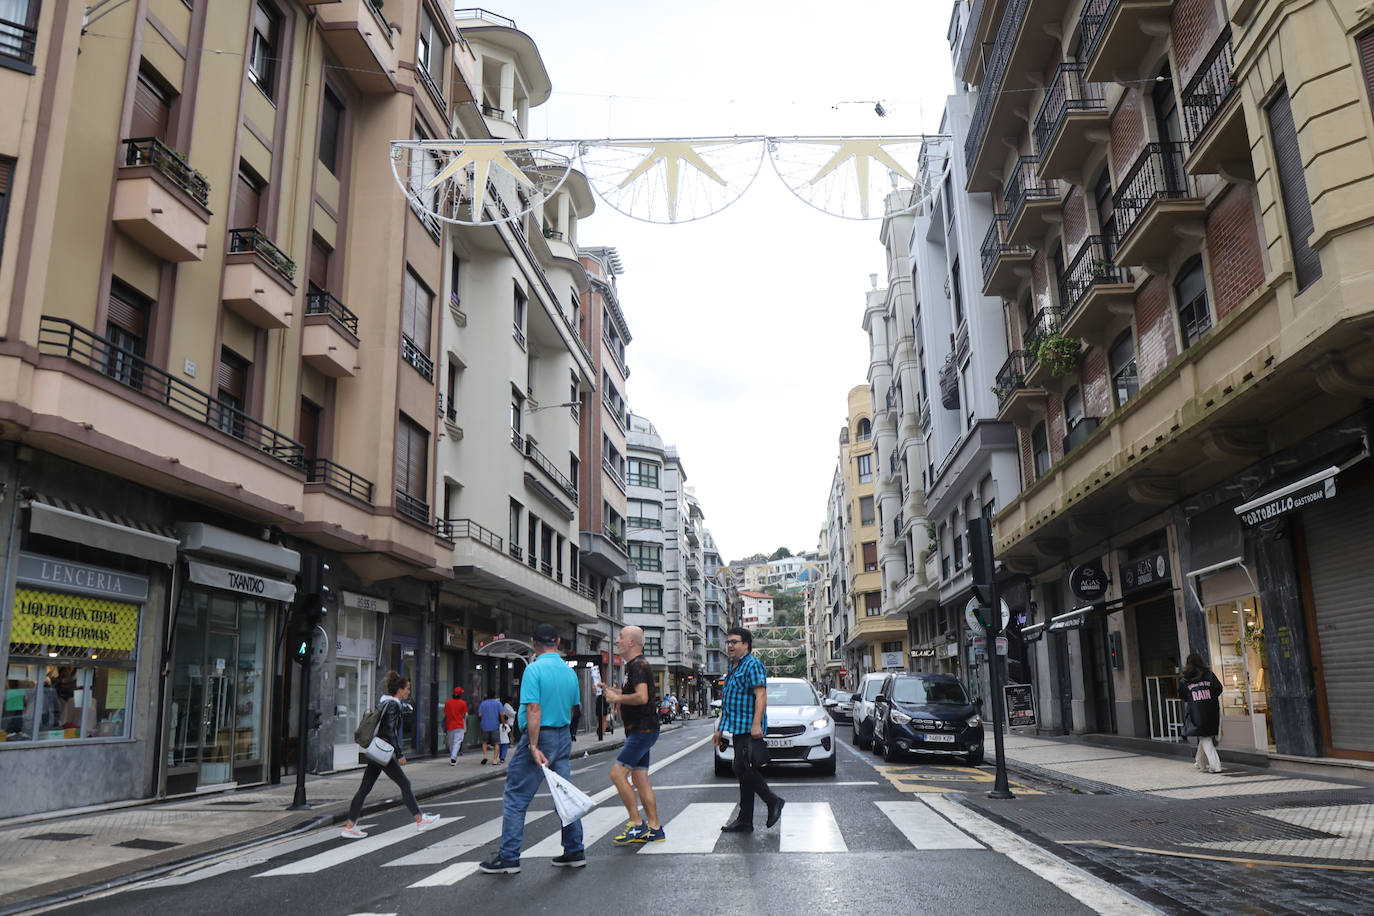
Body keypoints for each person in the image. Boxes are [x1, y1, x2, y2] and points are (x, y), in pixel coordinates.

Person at [480, 623, 585, 874]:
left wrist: (534, 745)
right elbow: (574, 709)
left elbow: (533, 710)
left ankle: (509, 857)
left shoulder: (533, 670)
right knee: (564, 794)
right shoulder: (570, 672)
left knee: (516, 796)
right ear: (558, 642)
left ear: (533, 643)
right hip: (562, 735)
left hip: (540, 737)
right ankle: (574, 850)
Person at [341, 672, 439, 838]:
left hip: (376, 751)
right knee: (405, 784)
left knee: (364, 789)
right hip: (383, 752)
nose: (409, 692)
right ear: (399, 690)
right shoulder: (393, 705)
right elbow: (390, 731)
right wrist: (399, 754)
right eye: (407, 689)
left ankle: (350, 826)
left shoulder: (385, 703)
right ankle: (420, 820)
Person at [714, 626, 784, 833]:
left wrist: (756, 724)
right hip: (737, 727)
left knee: (742, 767)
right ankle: (745, 820)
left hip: (748, 726)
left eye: (734, 642)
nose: (730, 645)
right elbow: (729, 701)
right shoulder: (734, 667)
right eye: (728, 642)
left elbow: (760, 696)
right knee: (742, 769)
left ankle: (773, 801)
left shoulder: (752, 665)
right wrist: (720, 729)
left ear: (746, 644)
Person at [604, 626, 665, 845]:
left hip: (642, 729)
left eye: (621, 637)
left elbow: (641, 697)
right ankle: (655, 828)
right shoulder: (635, 666)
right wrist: (613, 692)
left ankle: (637, 824)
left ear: (631, 643)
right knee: (640, 778)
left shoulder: (638, 665)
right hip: (642, 729)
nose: (617, 640)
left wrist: (617, 699)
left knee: (617, 774)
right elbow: (635, 694)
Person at [1180, 652, 1223, 774]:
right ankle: (1200, 762)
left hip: (1196, 711)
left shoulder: (1185, 679)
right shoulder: (1209, 674)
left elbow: (1183, 696)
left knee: (1205, 737)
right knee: (1205, 736)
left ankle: (1215, 766)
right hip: (1212, 709)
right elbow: (1219, 688)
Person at [444, 687, 468, 765]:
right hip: (459, 725)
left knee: (451, 742)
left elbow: (445, 713)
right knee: (457, 742)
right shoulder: (463, 703)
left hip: (449, 724)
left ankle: (453, 756)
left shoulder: (448, 702)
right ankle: (453, 757)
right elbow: (464, 714)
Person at [478, 691, 503, 765]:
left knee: (484, 742)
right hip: (495, 725)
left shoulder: (483, 704)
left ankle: (485, 756)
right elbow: (501, 714)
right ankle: (495, 760)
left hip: (485, 725)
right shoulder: (498, 703)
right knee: (497, 743)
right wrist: (504, 723)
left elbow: (479, 714)